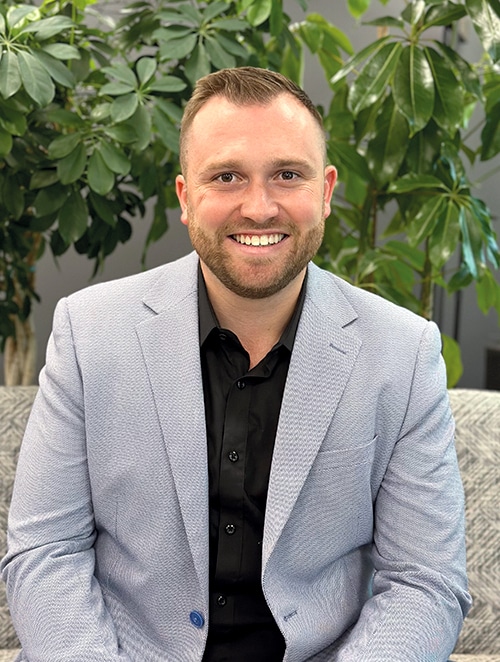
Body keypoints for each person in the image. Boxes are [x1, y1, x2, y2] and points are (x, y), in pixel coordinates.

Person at [1, 66, 471, 661]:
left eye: (287, 175)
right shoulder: (88, 331)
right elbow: (45, 552)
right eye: (226, 176)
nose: (259, 207)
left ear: (326, 191)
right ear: (185, 197)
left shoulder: (404, 353)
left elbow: (426, 583)